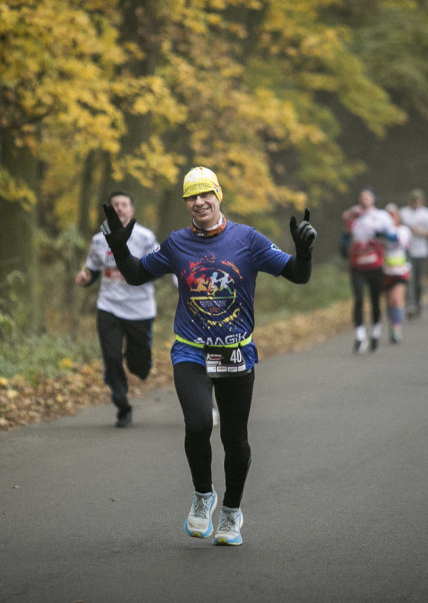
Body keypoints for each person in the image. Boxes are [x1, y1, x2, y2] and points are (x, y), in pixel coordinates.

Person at [99, 166, 316, 547]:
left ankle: (231, 510)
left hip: (235, 351)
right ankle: (203, 497)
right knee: (198, 425)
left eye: (205, 194)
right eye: (191, 196)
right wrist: (118, 245)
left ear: (218, 197)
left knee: (235, 440)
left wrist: (305, 252)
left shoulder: (247, 239)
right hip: (191, 350)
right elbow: (135, 274)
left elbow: (298, 276)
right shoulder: (177, 243)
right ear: (186, 203)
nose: (199, 202)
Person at [75, 191, 158, 428]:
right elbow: (92, 269)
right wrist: (86, 277)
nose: (119, 208)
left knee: (138, 365)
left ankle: (139, 363)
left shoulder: (145, 237)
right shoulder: (99, 239)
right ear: (109, 210)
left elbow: (159, 266)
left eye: (124, 205)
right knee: (111, 357)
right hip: (108, 306)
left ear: (132, 210)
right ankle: (122, 405)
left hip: (139, 309)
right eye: (115, 205)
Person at [341, 188, 396, 352]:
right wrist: (343, 246)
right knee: (358, 299)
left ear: (373, 199)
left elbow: (394, 237)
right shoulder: (352, 217)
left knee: (374, 301)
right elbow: (345, 236)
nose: (364, 199)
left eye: (367, 196)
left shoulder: (382, 216)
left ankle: (376, 333)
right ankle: (360, 336)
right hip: (357, 266)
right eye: (361, 196)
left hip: (376, 265)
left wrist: (382, 234)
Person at [398, 188, 428, 318]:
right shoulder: (403, 212)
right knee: (408, 279)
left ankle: (418, 303)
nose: (415, 202)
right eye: (413, 199)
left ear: (422, 200)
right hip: (406, 251)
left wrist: (419, 232)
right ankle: (410, 305)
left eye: (417, 200)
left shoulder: (427, 214)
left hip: (422, 252)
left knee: (419, 281)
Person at [383, 204, 412, 343]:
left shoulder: (403, 230)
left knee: (396, 298)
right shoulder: (380, 231)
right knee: (389, 301)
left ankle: (397, 327)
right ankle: (392, 325)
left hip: (400, 271)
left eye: (393, 215)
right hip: (385, 271)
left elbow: (400, 241)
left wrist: (386, 233)